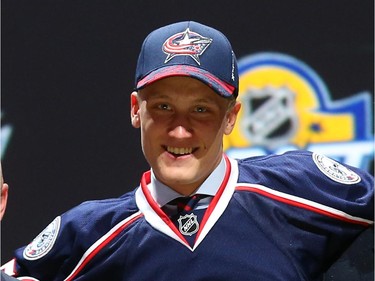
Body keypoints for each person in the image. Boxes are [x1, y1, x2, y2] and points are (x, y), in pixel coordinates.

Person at [1, 21, 373, 281]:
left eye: (201, 109)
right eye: (163, 107)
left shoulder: (301, 187)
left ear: (231, 117)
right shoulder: (85, 234)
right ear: (135, 110)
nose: (180, 129)